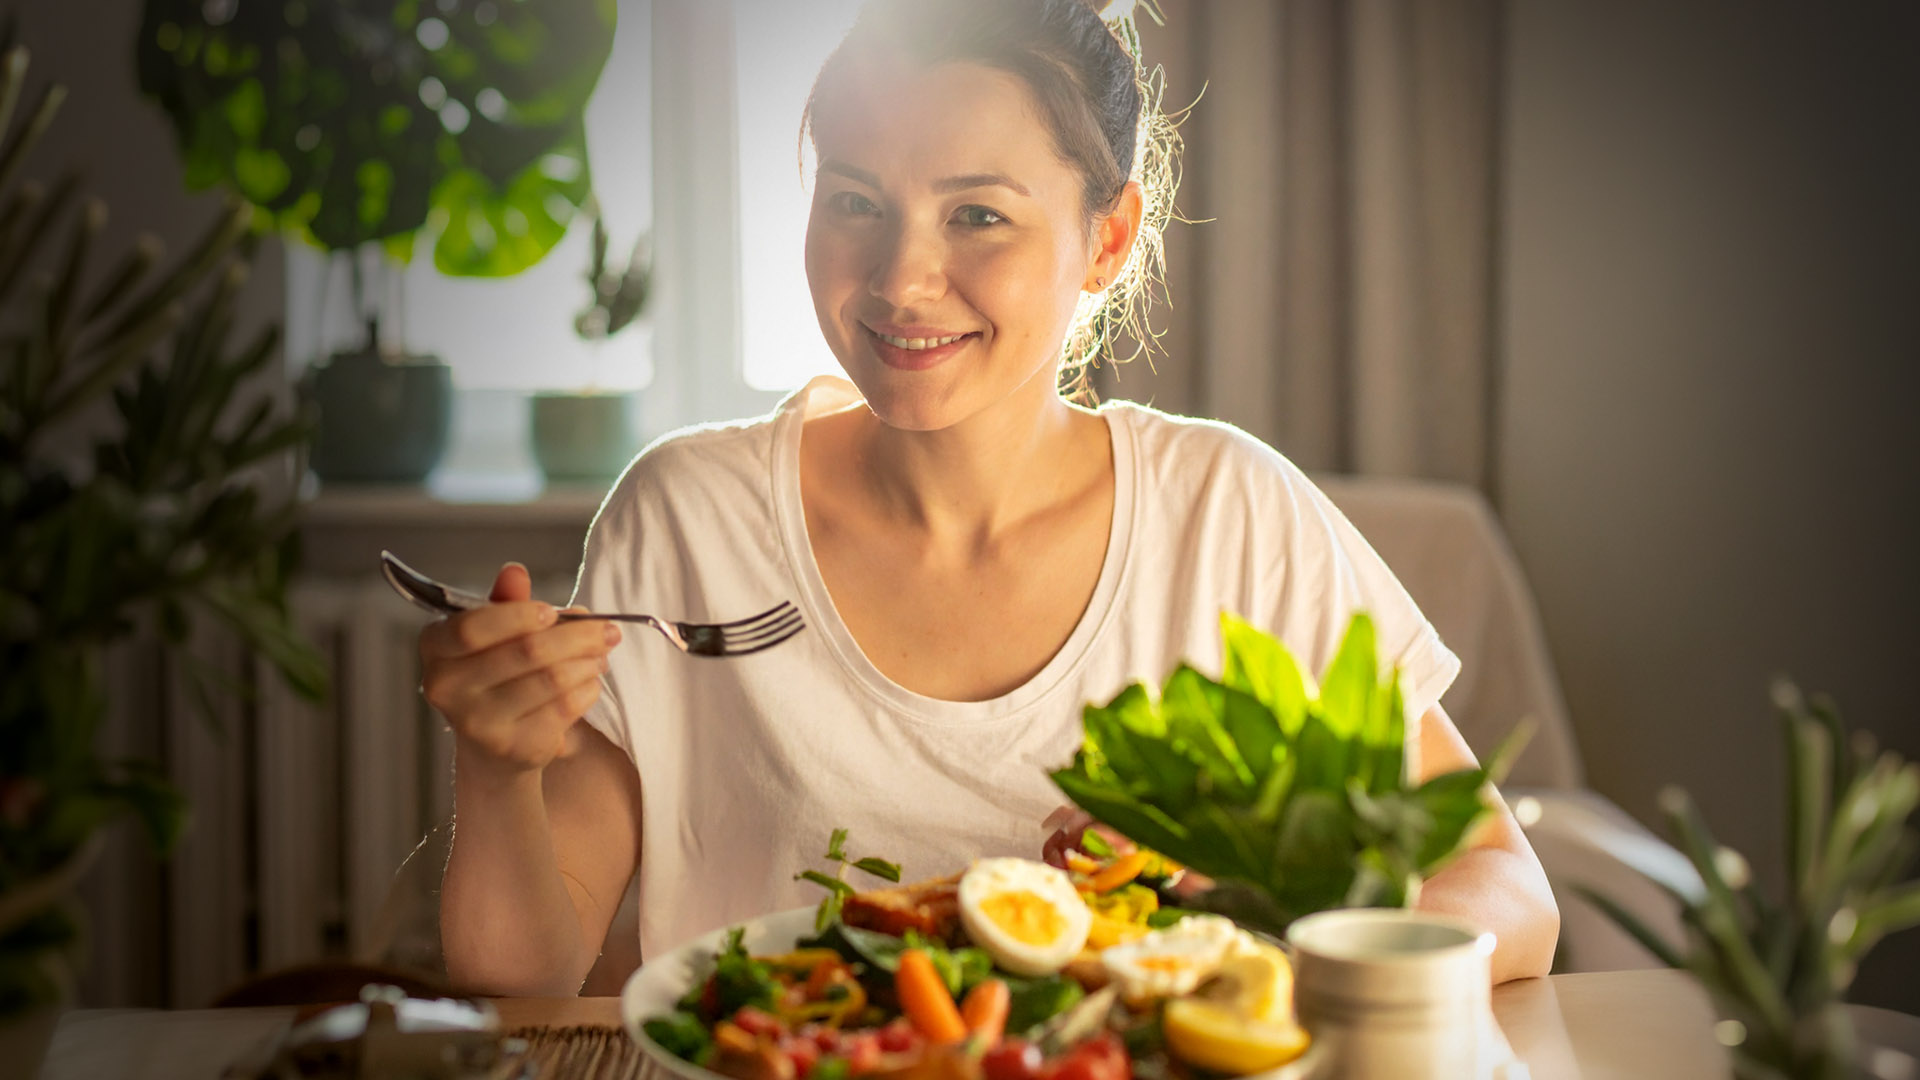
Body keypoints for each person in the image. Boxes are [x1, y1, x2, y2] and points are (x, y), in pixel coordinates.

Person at [426, 0, 1558, 996]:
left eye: (977, 215)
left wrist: (1268, 931)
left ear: (1106, 238)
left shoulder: (1235, 516)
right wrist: (497, 762)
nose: (900, 279)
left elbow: (1504, 885)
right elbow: (526, 969)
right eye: (857, 201)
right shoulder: (688, 518)